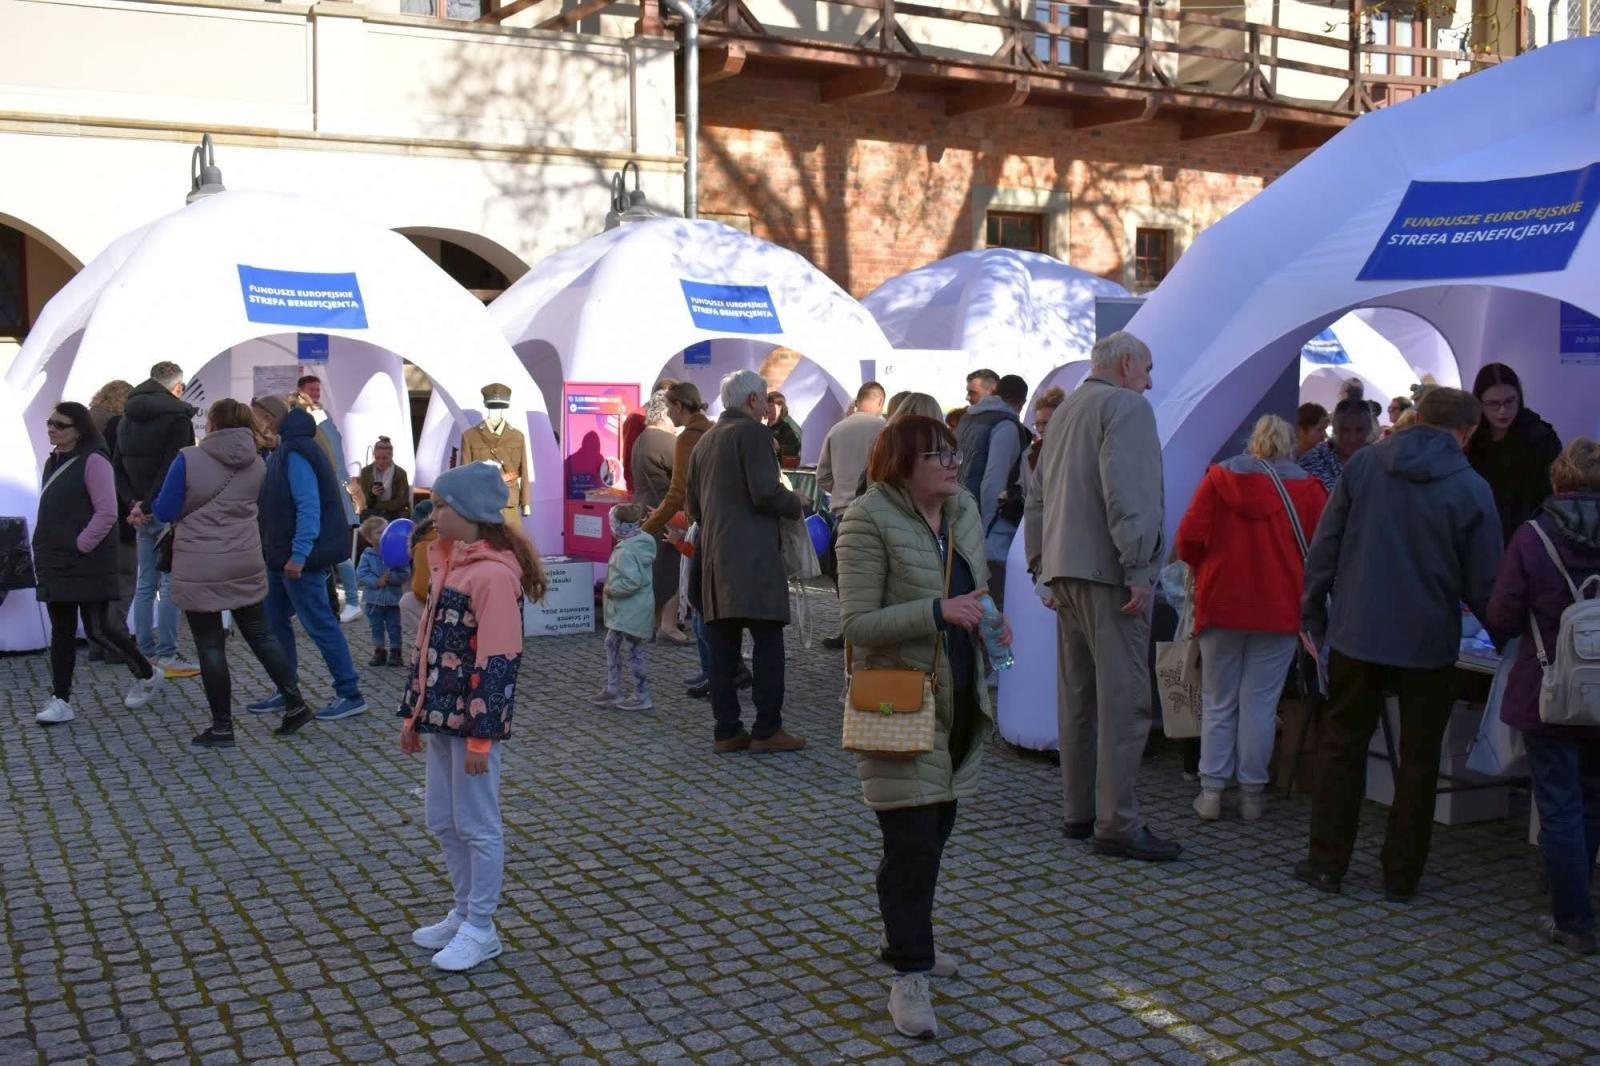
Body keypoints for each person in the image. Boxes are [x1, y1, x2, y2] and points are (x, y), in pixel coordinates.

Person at [836, 414, 1007, 1040]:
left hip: (960, 702)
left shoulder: (961, 511)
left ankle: (909, 937)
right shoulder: (867, 520)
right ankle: (909, 976)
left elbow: (977, 591)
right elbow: (855, 625)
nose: (952, 464)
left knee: (932, 834)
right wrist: (938, 611)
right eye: (937, 455)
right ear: (901, 463)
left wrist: (994, 623)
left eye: (953, 453)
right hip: (898, 703)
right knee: (910, 842)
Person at [1295, 387, 1503, 901]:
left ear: (1417, 418)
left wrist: (1312, 612)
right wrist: (1510, 641)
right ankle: (1401, 875)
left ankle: (1326, 864)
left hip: (1357, 630)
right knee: (1419, 760)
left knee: (1341, 748)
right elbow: (1486, 582)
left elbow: (1326, 545)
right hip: (1428, 640)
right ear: (1467, 432)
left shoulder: (1364, 466)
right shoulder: (1471, 487)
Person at [1024, 331, 1178, 862]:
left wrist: (1041, 564)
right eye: (1148, 368)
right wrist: (1139, 568)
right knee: (1123, 701)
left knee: (1078, 699)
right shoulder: (1125, 407)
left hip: (1066, 570)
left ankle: (1079, 813)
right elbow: (1129, 492)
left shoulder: (1064, 412)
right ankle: (1117, 822)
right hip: (1110, 576)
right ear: (1128, 363)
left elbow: (1036, 495)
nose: (1151, 382)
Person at [399, 461, 546, 973]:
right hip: (441, 719)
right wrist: (414, 714)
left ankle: (481, 927)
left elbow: (499, 661)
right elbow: (425, 647)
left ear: (469, 512)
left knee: (478, 825)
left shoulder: (490, 574)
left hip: (471, 726)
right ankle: (463, 912)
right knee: (442, 819)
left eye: (441, 506)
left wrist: (483, 737)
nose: (432, 514)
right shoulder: (448, 562)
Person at [1176, 415, 1327, 821]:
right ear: (1290, 445)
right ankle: (1252, 795)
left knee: (1218, 701)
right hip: (1280, 608)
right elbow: (1325, 550)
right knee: (1260, 704)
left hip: (1222, 602)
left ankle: (1210, 793)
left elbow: (1187, 538)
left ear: (1253, 443)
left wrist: (1203, 568)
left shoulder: (1219, 479)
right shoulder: (1309, 489)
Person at [1484, 438, 1600, 956]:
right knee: (1592, 798)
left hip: (1549, 687)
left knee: (1558, 802)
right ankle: (1571, 890)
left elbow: (1504, 616)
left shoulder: (1534, 537)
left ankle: (1571, 916)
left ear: (1558, 482)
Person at [152, 399, 312, 746]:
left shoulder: (188, 459)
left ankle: (222, 726)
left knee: (210, 644)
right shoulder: (257, 462)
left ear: (211, 423)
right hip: (243, 557)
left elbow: (164, 509)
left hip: (201, 561)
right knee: (260, 634)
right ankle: (295, 702)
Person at [686, 370, 807, 754]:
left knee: (723, 651)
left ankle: (727, 730)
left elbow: (693, 507)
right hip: (752, 559)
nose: (769, 407)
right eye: (766, 399)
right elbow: (766, 493)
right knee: (768, 643)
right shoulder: (752, 433)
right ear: (754, 400)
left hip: (715, 558)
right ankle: (767, 728)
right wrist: (795, 502)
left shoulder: (705, 439)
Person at [33, 402, 167, 725]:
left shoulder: (94, 461)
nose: (52, 428)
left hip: (85, 559)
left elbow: (106, 511)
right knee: (62, 630)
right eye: (50, 422)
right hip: (57, 559)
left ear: (78, 429)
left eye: (60, 424)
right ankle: (61, 699)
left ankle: (147, 673)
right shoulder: (53, 461)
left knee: (100, 626)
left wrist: (81, 544)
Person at [248, 407, 368, 723]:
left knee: (320, 624)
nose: (261, 424)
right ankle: (287, 691)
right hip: (280, 556)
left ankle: (350, 692)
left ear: (275, 420)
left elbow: (308, 507)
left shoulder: (296, 453)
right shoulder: (287, 451)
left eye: (264, 418)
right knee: (276, 623)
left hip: (297, 559)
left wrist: (299, 555)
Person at [114, 361, 201, 678]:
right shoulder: (178, 416)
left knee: (146, 583)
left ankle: (146, 651)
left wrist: (134, 504)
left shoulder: (126, 414)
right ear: (177, 387)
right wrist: (151, 503)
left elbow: (117, 466)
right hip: (164, 508)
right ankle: (166, 653)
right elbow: (175, 466)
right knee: (169, 581)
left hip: (140, 510)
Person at [957, 373, 1032, 610]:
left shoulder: (967, 420)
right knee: (990, 601)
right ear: (1020, 402)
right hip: (985, 524)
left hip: (958, 512)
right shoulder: (1006, 426)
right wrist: (984, 526)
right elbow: (993, 481)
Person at [291, 378, 362, 623]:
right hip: (326, 490)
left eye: (318, 389)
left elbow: (334, 458)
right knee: (319, 549)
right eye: (312, 390)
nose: (316, 393)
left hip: (332, 492)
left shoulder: (321, 419)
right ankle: (313, 603)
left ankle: (352, 601)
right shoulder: (317, 419)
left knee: (338, 550)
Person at [1467, 362, 1563, 544]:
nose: (1502, 411)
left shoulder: (1540, 438)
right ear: (1479, 403)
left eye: (1509, 401)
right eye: (1493, 404)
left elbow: (1552, 497)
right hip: (1480, 540)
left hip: (1530, 539)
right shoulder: (1471, 440)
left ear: (1519, 398)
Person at [632, 392, 686, 644]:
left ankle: (654, 624)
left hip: (643, 507)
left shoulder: (641, 439)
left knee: (653, 567)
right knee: (669, 566)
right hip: (664, 510)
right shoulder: (666, 440)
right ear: (665, 413)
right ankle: (668, 625)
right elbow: (685, 476)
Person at [89, 379, 136, 665]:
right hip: (118, 513)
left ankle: (97, 641)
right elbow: (122, 471)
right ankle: (115, 643)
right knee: (123, 578)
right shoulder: (118, 426)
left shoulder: (84, 422)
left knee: (97, 583)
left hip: (88, 515)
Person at [594, 503, 656, 711]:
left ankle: (641, 694)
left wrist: (611, 588)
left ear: (618, 526)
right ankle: (613, 688)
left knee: (633, 650)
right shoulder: (639, 543)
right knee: (612, 643)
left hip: (630, 609)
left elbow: (632, 581)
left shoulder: (626, 551)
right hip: (629, 610)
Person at [817, 382, 888, 516]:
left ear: (858, 402)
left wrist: (842, 491)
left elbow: (822, 477)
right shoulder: (886, 429)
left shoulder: (836, 429)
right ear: (880, 401)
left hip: (842, 512)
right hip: (875, 511)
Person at [356, 516, 410, 668]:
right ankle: (379, 651)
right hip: (374, 600)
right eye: (379, 532)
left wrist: (392, 577)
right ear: (368, 538)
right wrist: (375, 582)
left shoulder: (398, 552)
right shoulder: (367, 555)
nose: (384, 535)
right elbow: (362, 574)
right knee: (376, 627)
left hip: (393, 600)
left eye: (386, 531)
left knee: (394, 627)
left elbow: (405, 573)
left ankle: (396, 652)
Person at [1296, 397, 1373, 493]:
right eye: (1345, 430)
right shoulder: (1311, 463)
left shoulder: (1380, 464)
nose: (1352, 438)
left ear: (1369, 429)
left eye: (1359, 430)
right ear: (1335, 429)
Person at [622, 377, 675, 495]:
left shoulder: (667, 418)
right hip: (645, 493)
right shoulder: (636, 418)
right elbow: (629, 457)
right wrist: (633, 491)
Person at [401, 500, 438, 668]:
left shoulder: (424, 544)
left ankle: (430, 644)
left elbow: (421, 589)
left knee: (407, 600)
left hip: (446, 609)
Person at [358, 436, 411, 522]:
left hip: (394, 512)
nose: (381, 462)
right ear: (374, 456)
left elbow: (401, 501)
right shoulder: (366, 472)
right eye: (377, 458)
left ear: (391, 456)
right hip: (372, 512)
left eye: (384, 458)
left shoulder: (400, 473)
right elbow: (362, 501)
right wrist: (372, 494)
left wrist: (379, 506)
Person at [766, 391, 803, 468]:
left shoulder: (790, 426)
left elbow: (794, 449)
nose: (767, 409)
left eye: (771, 406)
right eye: (766, 406)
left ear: (780, 407)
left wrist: (779, 447)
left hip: (785, 472)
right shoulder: (768, 425)